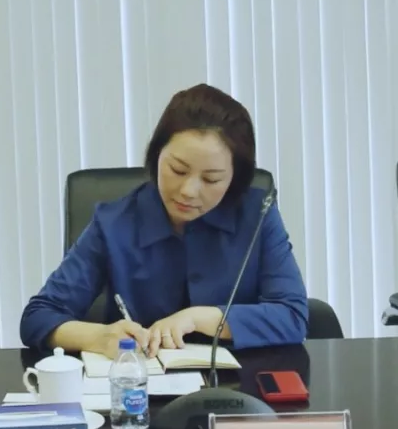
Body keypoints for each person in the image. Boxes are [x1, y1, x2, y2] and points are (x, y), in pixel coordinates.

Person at [20, 83, 308, 358]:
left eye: (211, 179)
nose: (188, 191)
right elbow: (38, 316)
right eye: (178, 170)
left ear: (235, 177)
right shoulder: (113, 224)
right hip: (141, 385)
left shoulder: (259, 215)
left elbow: (293, 316)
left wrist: (200, 318)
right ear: (157, 155)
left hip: (240, 385)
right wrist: (99, 337)